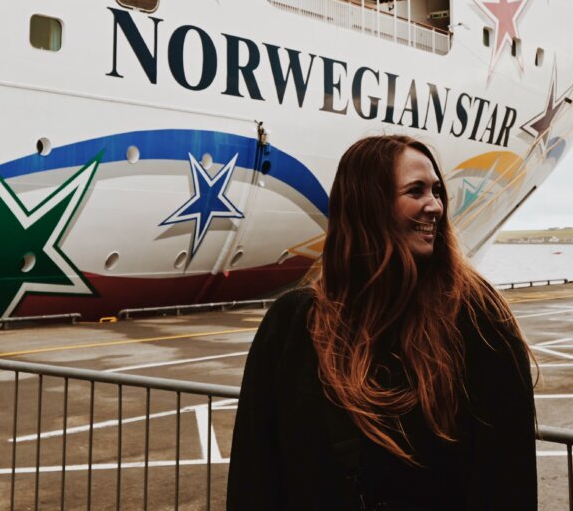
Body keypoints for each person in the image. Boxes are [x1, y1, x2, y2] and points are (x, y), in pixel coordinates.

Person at [227, 135, 537, 511]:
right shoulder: (294, 324)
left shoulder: (477, 318)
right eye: (416, 191)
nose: (435, 206)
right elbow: (256, 472)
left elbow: (506, 477)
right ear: (367, 206)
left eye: (437, 191)